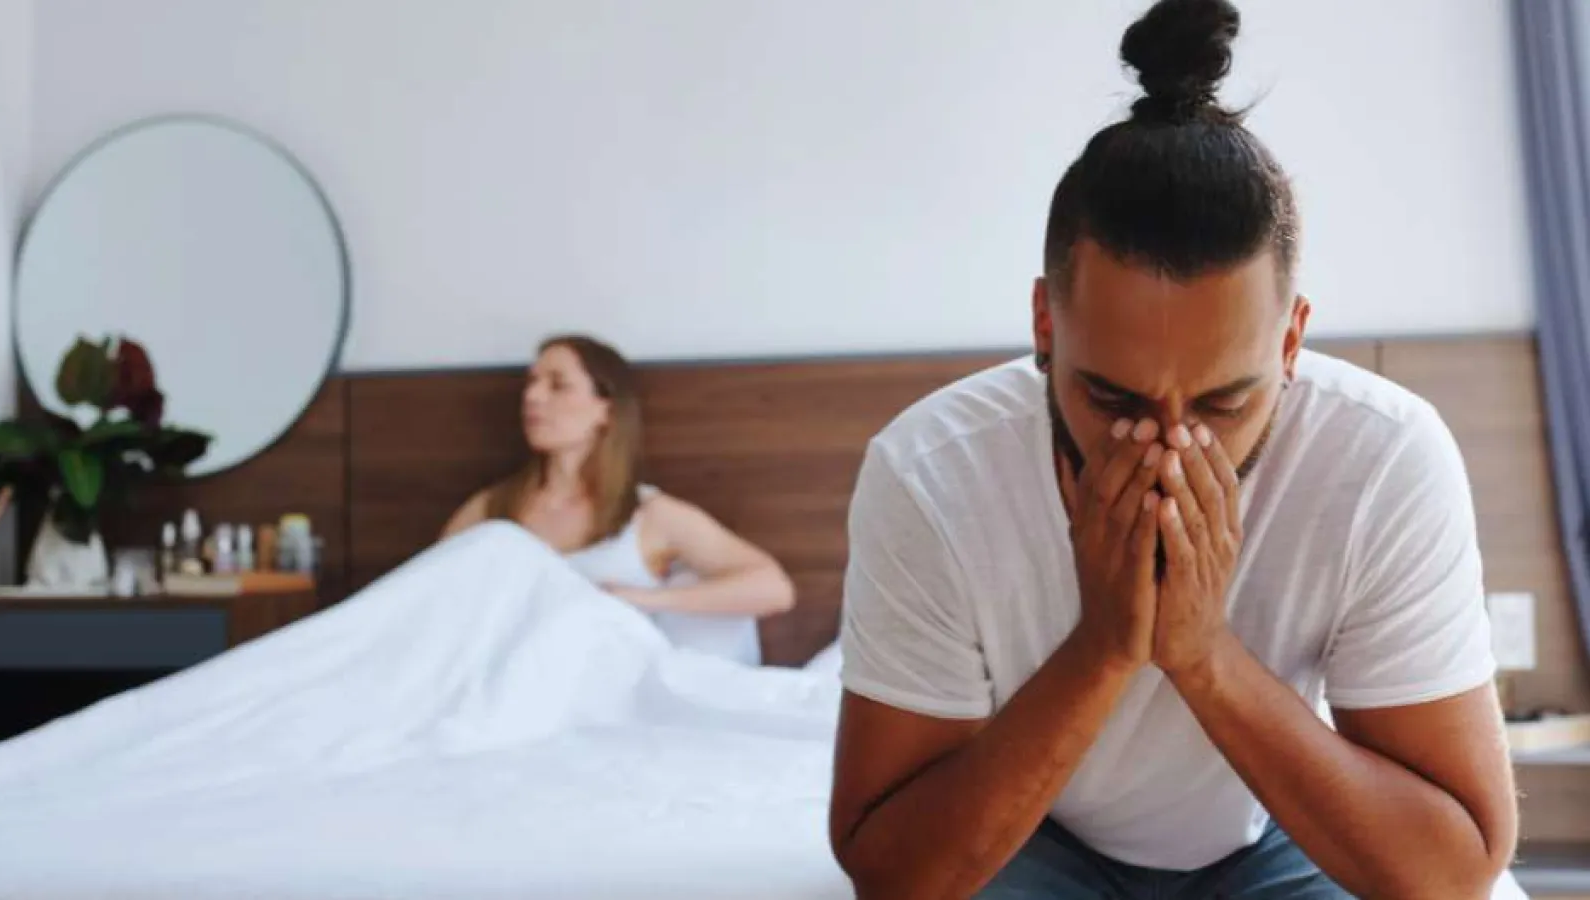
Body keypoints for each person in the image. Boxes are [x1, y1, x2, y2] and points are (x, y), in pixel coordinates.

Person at [827, 1, 1517, 898]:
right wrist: (1106, 649)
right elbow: (893, 873)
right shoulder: (931, 473)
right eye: (1111, 397)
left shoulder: (1382, 458)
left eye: (1226, 401)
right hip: (1032, 838)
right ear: (1045, 322)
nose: (1166, 444)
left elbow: (1450, 871)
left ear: (1292, 341)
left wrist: (1203, 655)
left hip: (1282, 836)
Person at [444, 334, 794, 664]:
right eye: (531, 383)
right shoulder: (489, 513)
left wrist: (643, 601)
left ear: (606, 411)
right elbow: (433, 601)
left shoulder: (650, 516)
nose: (533, 397)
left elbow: (773, 588)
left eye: (558, 385)